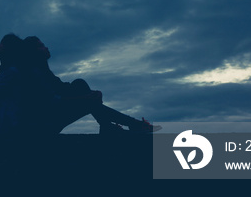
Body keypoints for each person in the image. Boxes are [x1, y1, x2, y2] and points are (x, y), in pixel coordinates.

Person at [21, 36, 159, 134]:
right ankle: (132, 125)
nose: (46, 48)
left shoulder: (43, 72)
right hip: (42, 126)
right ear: (33, 53)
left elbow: (62, 88)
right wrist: (86, 98)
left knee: (79, 84)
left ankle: (114, 127)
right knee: (87, 98)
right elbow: (51, 102)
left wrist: (91, 93)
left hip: (49, 119)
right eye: (41, 46)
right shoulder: (33, 74)